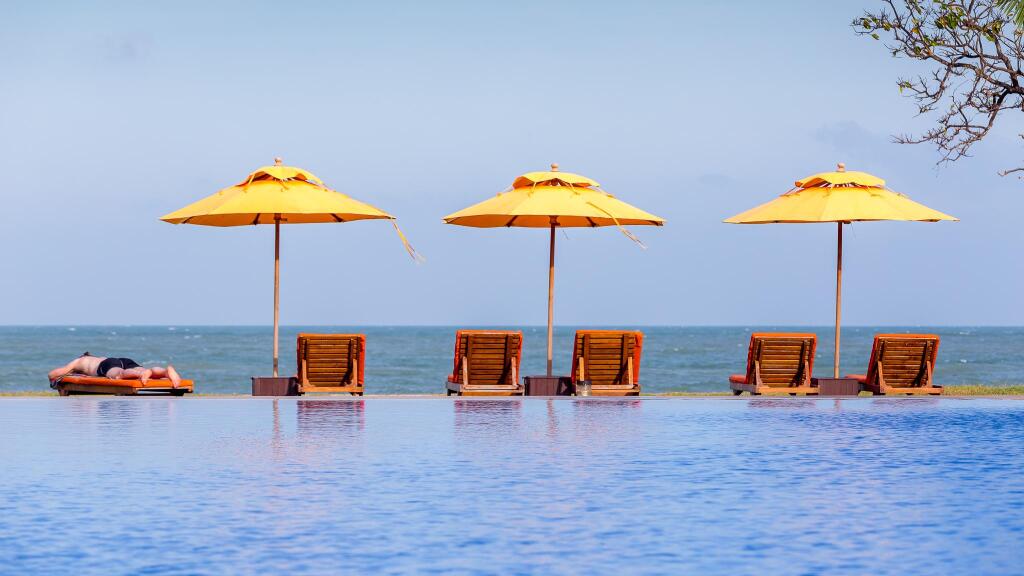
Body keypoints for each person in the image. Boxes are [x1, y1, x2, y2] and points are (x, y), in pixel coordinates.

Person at [47, 353, 182, 388]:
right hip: (123, 360)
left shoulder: (79, 361)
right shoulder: (98, 358)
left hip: (108, 365)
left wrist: (52, 379)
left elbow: (53, 374)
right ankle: (165, 371)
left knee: (119, 375)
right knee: (148, 371)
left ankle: (141, 374)